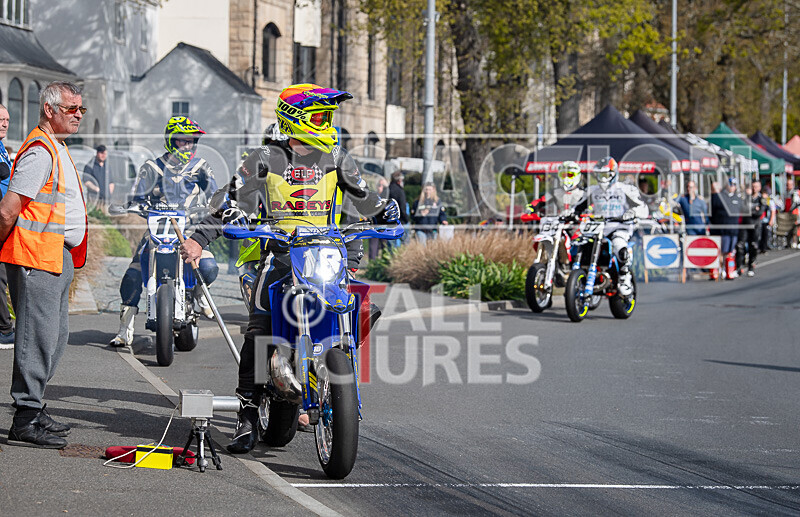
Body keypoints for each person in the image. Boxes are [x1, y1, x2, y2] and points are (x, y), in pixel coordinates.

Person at [181, 83, 399, 454]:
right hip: (280, 254)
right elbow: (227, 198)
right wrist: (200, 237)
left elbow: (367, 201)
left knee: (358, 308)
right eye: (319, 115)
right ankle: (247, 415)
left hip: (326, 254)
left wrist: (385, 211)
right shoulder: (264, 158)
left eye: (327, 115)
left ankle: (329, 380)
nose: (325, 122)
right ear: (295, 117)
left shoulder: (338, 158)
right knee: (261, 327)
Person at [0, 81, 88, 448]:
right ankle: (26, 415)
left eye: (81, 109)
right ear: (50, 110)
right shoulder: (40, 149)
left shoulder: (56, 145)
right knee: (37, 338)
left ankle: (33, 408)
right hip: (38, 255)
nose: (79, 115)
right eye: (72, 109)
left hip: (55, 254)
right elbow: (8, 209)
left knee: (54, 337)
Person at [109, 116, 219, 347]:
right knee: (132, 275)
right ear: (171, 140)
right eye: (183, 141)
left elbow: (215, 195)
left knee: (208, 266)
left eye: (192, 141)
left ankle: (198, 292)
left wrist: (218, 204)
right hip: (156, 232)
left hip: (189, 232)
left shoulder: (201, 167)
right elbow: (137, 196)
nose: (189, 146)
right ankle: (124, 329)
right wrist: (131, 204)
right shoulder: (151, 167)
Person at [575, 157, 648, 296]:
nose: (603, 179)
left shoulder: (625, 189)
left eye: (606, 175)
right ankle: (578, 274)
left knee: (618, 244)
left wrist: (632, 213)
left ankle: (624, 276)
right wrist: (572, 214)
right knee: (580, 244)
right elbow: (577, 207)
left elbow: (643, 208)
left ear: (614, 173)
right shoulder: (592, 190)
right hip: (597, 227)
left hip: (619, 226)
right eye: (600, 175)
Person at [0, 104, 15, 348]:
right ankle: (5, 330)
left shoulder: (2, 147)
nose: (4, 123)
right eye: (0, 119)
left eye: (7, 119)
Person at [710, 178, 743, 280]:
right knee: (722, 251)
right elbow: (712, 213)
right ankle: (719, 269)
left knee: (730, 252)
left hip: (734, 230)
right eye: (730, 184)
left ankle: (729, 270)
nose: (732, 186)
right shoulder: (718, 197)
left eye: (734, 184)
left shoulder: (738, 199)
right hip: (722, 230)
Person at [736, 181, 765, 276]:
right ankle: (738, 267)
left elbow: (760, 213)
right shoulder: (745, 198)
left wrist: (751, 211)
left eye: (756, 187)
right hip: (745, 225)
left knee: (753, 246)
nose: (754, 189)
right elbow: (742, 209)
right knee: (740, 245)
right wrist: (753, 209)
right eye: (752, 187)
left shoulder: (762, 199)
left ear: (759, 188)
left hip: (755, 225)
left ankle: (751, 267)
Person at [369, 175, 389, 259]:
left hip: (384, 225)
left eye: (382, 186)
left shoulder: (388, 196)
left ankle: (384, 263)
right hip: (374, 225)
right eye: (379, 185)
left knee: (385, 246)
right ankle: (372, 265)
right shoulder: (373, 196)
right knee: (373, 247)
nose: (380, 187)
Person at [387, 170, 408, 247]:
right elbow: (402, 207)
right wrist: (406, 218)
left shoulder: (387, 189)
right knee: (404, 242)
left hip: (389, 220)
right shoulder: (400, 191)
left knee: (391, 244)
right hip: (400, 220)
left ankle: (390, 258)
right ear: (399, 180)